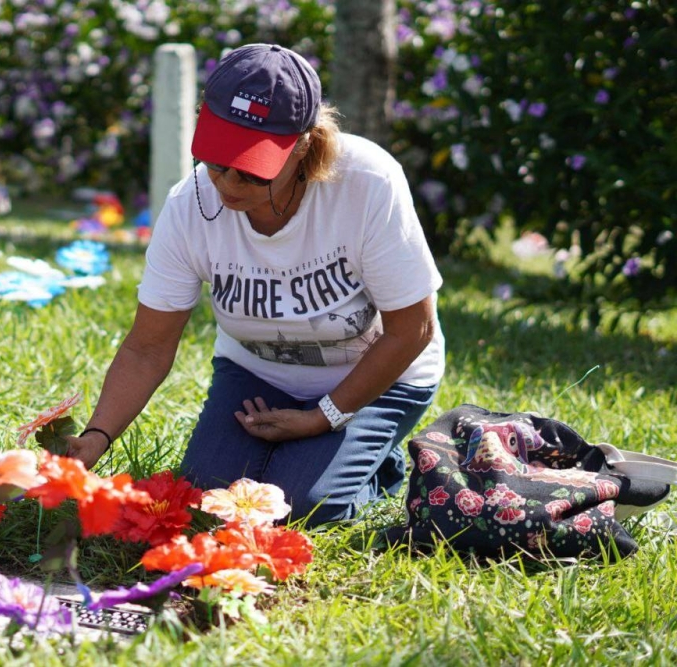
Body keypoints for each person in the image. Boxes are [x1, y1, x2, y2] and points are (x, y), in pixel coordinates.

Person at [67, 43, 445, 526]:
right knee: (210, 501)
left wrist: (323, 416)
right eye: (216, 162)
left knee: (305, 507)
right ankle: (322, 457)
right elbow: (147, 347)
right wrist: (97, 436)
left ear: (305, 144)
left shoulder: (368, 183)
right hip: (259, 372)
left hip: (377, 372)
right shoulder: (188, 206)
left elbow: (411, 329)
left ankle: (381, 465)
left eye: (250, 169)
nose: (227, 184)